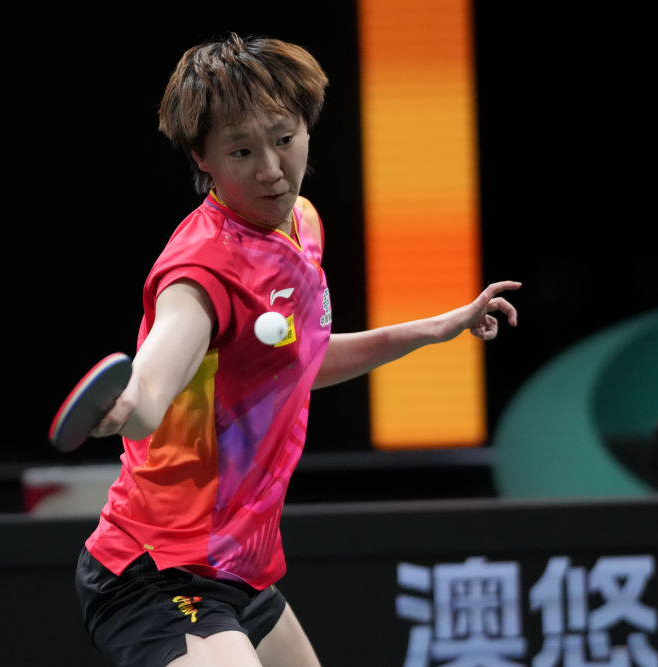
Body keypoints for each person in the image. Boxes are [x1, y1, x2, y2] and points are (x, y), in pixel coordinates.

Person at [73, 32, 520, 667]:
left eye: (284, 139)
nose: (271, 169)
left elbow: (296, 365)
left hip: (237, 566)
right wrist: (129, 406)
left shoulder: (300, 224)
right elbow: (152, 385)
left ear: (307, 127)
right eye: (241, 151)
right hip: (157, 570)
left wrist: (436, 327)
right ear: (202, 158)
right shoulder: (202, 272)